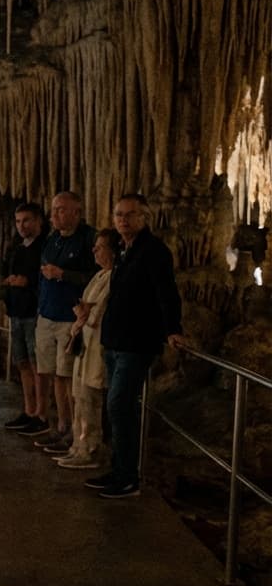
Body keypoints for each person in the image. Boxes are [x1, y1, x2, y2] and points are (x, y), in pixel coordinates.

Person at [86, 194, 184, 498]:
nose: (123, 220)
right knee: (116, 407)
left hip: (137, 342)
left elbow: (166, 292)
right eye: (118, 215)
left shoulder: (154, 252)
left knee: (119, 405)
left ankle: (128, 478)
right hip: (116, 340)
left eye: (130, 215)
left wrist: (173, 330)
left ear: (144, 218)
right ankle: (118, 470)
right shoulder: (124, 251)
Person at [33, 192, 97, 454]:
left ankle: (75, 431)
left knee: (68, 376)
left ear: (76, 212)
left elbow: (96, 276)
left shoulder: (88, 240)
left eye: (61, 210)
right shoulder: (53, 239)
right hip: (47, 314)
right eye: (54, 209)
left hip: (69, 319)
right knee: (53, 375)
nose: (55, 214)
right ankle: (60, 425)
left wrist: (63, 274)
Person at [54, 228, 119, 470]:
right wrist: (83, 312)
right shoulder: (100, 275)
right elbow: (86, 307)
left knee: (91, 398)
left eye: (100, 247)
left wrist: (85, 313)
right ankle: (79, 445)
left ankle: (91, 449)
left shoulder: (114, 277)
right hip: (85, 342)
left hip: (97, 345)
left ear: (112, 251)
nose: (94, 250)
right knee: (79, 396)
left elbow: (96, 311)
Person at [0, 202, 48, 434]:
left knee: (36, 364)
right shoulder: (16, 248)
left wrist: (27, 281)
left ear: (39, 221)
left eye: (26, 220)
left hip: (34, 312)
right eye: (18, 221)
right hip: (17, 311)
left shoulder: (44, 247)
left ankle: (41, 412)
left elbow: (43, 277)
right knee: (22, 363)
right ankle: (28, 409)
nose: (22, 226)